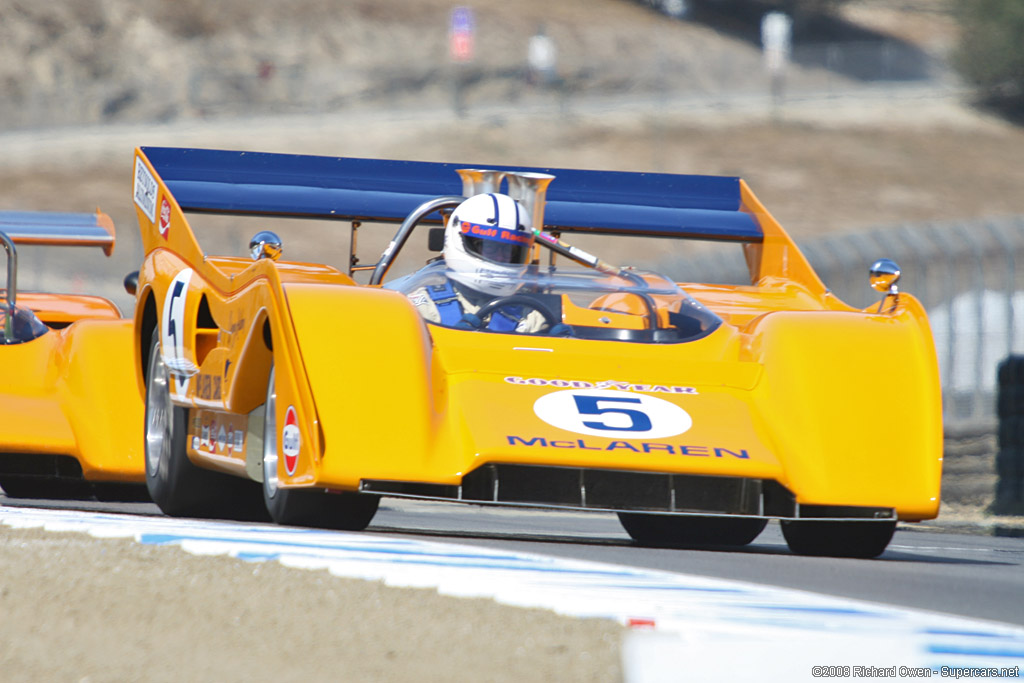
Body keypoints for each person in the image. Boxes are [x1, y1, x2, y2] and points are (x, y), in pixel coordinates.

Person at [406, 192, 549, 333]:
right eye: (490, 248)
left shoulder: (532, 316)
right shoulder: (419, 308)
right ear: (461, 240)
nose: (500, 258)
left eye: (509, 251)